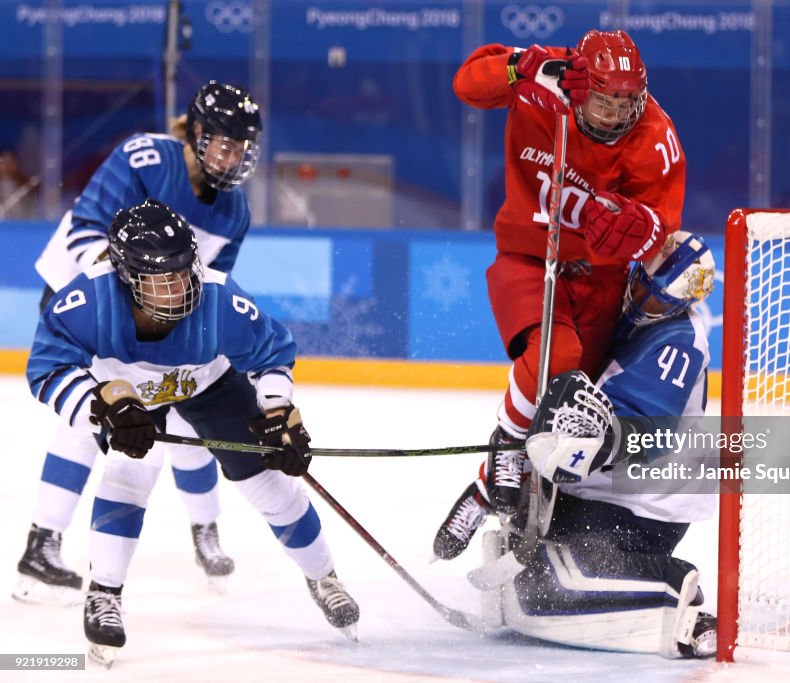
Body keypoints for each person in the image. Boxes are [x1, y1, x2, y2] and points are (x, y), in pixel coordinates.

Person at [27, 199, 359, 666]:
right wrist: (99, 409)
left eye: (184, 271)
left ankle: (323, 576)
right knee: (129, 472)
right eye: (164, 279)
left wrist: (278, 412)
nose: (181, 287)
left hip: (208, 382)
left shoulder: (219, 298)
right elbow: (47, 367)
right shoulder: (88, 301)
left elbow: (273, 352)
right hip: (128, 396)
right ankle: (104, 592)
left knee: (268, 481)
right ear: (127, 277)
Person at [16, 81, 261, 604]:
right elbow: (85, 232)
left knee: (185, 413)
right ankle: (43, 542)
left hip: (155, 317)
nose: (233, 156)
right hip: (82, 303)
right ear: (197, 133)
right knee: (94, 417)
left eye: (241, 147)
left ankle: (204, 529)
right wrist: (127, 307)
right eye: (224, 142)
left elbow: (206, 292)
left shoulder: (235, 213)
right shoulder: (143, 157)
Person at [441, 231, 718, 658]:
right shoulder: (624, 313)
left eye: (658, 301)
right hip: (607, 491)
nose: (643, 304)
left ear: (680, 304)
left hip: (644, 505)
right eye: (640, 286)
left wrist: (595, 443)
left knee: (542, 587)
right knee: (526, 561)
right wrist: (494, 479)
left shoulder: (679, 341)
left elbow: (642, 431)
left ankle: (675, 594)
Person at [446, 29, 687, 519]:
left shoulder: (655, 137)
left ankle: (499, 500)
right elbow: (468, 84)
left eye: (628, 104)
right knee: (557, 355)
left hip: (602, 283)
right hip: (530, 256)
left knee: (571, 412)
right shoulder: (545, 78)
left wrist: (633, 229)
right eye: (606, 104)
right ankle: (507, 447)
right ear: (582, 91)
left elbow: (659, 230)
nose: (618, 116)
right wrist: (520, 67)